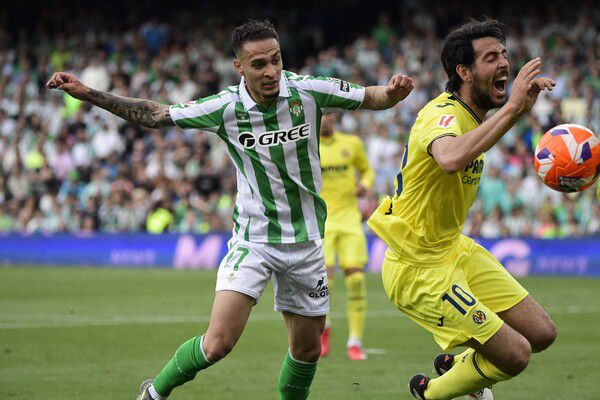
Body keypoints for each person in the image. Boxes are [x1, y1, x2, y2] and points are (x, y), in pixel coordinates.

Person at [47, 19, 414, 400]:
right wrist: (88, 94)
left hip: (306, 242)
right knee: (217, 343)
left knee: (307, 349)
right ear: (239, 67)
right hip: (254, 240)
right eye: (259, 64)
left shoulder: (308, 91)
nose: (271, 71)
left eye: (276, 60)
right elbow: (156, 115)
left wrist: (392, 93)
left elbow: (371, 97)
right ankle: (153, 393)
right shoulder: (225, 107)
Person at [367, 19, 557, 400]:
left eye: (504, 54)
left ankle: (460, 368)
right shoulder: (440, 114)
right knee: (515, 355)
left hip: (454, 249)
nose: (504, 63)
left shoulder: (473, 118)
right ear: (464, 72)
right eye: (491, 58)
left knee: (541, 333)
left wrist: (516, 112)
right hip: (418, 268)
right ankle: (432, 393)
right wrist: (513, 109)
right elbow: (451, 157)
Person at [318, 113, 374, 360]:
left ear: (334, 116)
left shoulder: (351, 143)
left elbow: (367, 170)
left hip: (350, 220)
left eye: (328, 113)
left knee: (356, 281)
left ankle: (355, 342)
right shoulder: (308, 145)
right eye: (320, 114)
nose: (324, 119)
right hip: (323, 222)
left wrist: (365, 185)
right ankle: (323, 332)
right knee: (324, 283)